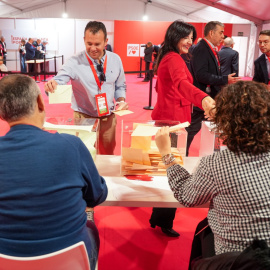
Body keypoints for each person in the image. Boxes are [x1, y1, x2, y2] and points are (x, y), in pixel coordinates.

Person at [154, 80, 270, 268]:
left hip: (236, 260)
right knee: (204, 227)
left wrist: (167, 153)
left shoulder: (218, 164)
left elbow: (186, 196)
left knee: (203, 232)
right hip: (262, 256)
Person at [0, 74, 108, 270]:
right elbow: (97, 195)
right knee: (90, 227)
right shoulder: (70, 145)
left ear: (2, 113)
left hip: (6, 260)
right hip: (70, 260)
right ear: (41, 102)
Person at [150, 20, 215, 237]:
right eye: (185, 37)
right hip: (174, 124)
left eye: (191, 37)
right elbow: (181, 85)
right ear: (174, 36)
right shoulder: (174, 59)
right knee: (174, 171)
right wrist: (203, 98)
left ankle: (159, 218)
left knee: (168, 169)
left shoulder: (166, 57)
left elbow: (165, 87)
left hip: (170, 120)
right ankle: (163, 220)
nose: (189, 41)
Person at [44, 21, 127, 155]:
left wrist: (121, 100)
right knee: (83, 155)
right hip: (83, 118)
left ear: (106, 41)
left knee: (107, 155)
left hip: (108, 118)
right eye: (89, 44)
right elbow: (59, 80)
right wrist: (52, 86)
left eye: (97, 44)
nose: (93, 48)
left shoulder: (115, 60)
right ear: (84, 40)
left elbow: (120, 85)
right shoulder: (74, 62)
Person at [186, 21, 240, 156]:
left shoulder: (209, 48)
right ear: (211, 33)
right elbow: (201, 75)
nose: (223, 36)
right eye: (221, 32)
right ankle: (180, 155)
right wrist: (224, 79)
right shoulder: (202, 48)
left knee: (209, 129)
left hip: (208, 98)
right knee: (191, 129)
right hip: (203, 99)